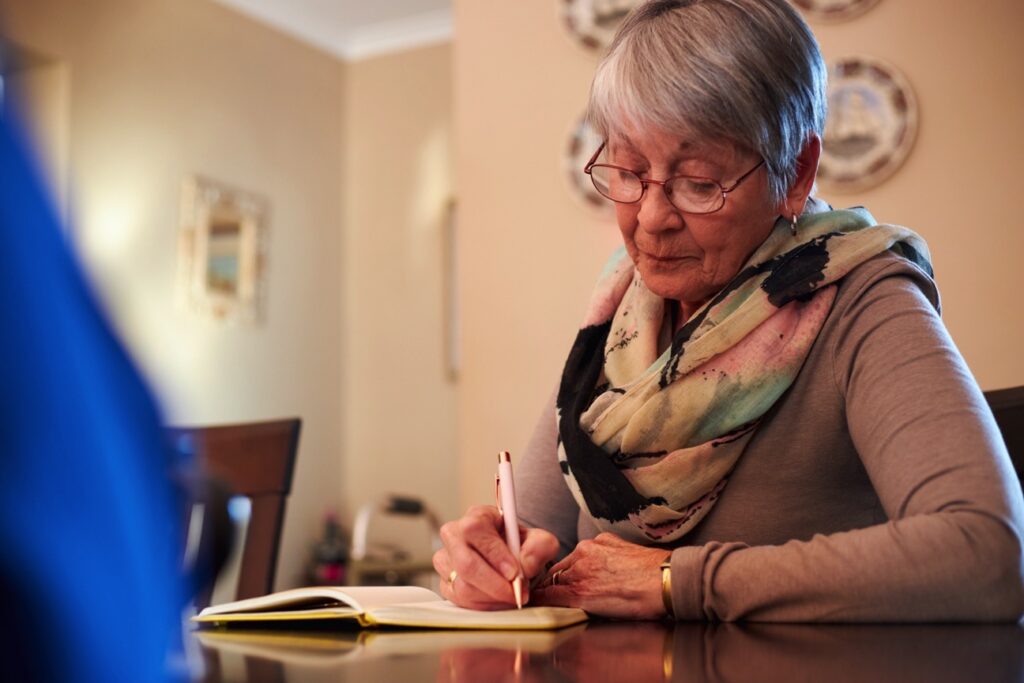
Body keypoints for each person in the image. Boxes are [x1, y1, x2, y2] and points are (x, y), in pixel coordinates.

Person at [433, 0, 1024, 621]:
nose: (653, 219)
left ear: (795, 173)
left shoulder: (862, 300)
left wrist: (676, 580)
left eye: (698, 182)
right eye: (629, 171)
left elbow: (987, 551)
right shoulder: (620, 320)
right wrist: (487, 564)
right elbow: (533, 537)